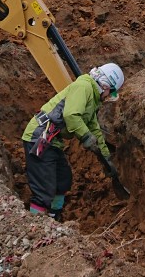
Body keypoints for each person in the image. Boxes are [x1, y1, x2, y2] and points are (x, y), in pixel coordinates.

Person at [21, 63, 124, 220]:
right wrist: (86, 137)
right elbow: (71, 115)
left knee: (63, 179)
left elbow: (94, 128)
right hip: (39, 137)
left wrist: (106, 158)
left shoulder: (93, 99)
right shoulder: (84, 87)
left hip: (52, 141)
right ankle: (36, 227)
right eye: (111, 90)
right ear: (104, 85)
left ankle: (54, 217)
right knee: (44, 188)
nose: (109, 95)